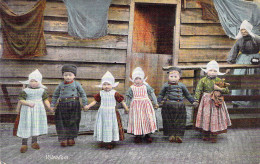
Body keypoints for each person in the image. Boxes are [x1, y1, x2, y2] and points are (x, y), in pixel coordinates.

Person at [85, 71, 128, 149]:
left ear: (112, 85)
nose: (106, 86)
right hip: (103, 113)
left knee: (111, 126)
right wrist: (88, 106)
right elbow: (95, 101)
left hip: (112, 113)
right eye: (104, 84)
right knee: (103, 125)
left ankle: (110, 141)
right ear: (102, 85)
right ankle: (103, 140)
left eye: (108, 84)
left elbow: (122, 101)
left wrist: (126, 108)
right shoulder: (100, 93)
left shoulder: (115, 93)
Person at [50, 64, 88, 147]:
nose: (68, 77)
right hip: (62, 105)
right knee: (61, 122)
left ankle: (71, 138)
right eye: (65, 75)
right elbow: (55, 95)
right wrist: (52, 105)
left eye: (70, 75)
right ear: (63, 76)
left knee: (73, 121)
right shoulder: (60, 85)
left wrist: (85, 104)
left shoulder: (76, 84)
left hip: (74, 105)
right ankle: (63, 139)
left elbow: (83, 94)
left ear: (74, 76)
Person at [194, 60, 232, 143]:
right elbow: (198, 90)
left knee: (215, 116)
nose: (212, 72)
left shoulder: (219, 80)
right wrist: (196, 100)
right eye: (211, 70)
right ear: (207, 71)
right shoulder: (203, 80)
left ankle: (214, 134)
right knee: (206, 116)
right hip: (206, 101)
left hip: (216, 101)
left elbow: (227, 90)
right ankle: (206, 133)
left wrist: (219, 89)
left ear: (217, 72)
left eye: (215, 71)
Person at [157, 67, 195, 143]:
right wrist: (157, 102)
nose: (173, 78)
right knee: (168, 120)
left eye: (175, 77)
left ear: (179, 77)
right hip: (168, 105)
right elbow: (161, 95)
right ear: (168, 77)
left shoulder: (182, 86)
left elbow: (187, 95)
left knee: (180, 120)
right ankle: (170, 135)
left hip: (179, 105)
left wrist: (193, 101)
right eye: (171, 77)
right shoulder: (165, 85)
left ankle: (178, 135)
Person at [227, 20, 260, 107]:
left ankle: (253, 102)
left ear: (249, 30)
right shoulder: (239, 41)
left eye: (245, 30)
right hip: (242, 60)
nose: (243, 32)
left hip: (255, 60)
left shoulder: (257, 39)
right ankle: (237, 101)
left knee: (253, 80)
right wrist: (230, 64)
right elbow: (234, 52)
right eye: (242, 30)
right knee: (239, 78)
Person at [17, 69, 51, 153]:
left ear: (39, 82)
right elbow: (21, 100)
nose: (33, 83)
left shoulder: (42, 90)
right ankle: (24, 143)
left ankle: (34, 142)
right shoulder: (25, 91)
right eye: (31, 81)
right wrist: (27, 103)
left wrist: (50, 108)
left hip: (38, 110)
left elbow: (45, 100)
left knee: (35, 124)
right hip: (27, 110)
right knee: (26, 125)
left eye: (35, 81)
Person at [126, 67, 159, 143]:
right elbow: (128, 97)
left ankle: (147, 134)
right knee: (137, 120)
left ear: (143, 79)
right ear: (133, 80)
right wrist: (127, 106)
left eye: (139, 79)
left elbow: (152, 94)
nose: (137, 81)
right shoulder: (131, 88)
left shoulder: (146, 86)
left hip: (146, 106)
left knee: (147, 119)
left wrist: (155, 103)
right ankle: (138, 135)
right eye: (136, 79)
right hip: (136, 107)